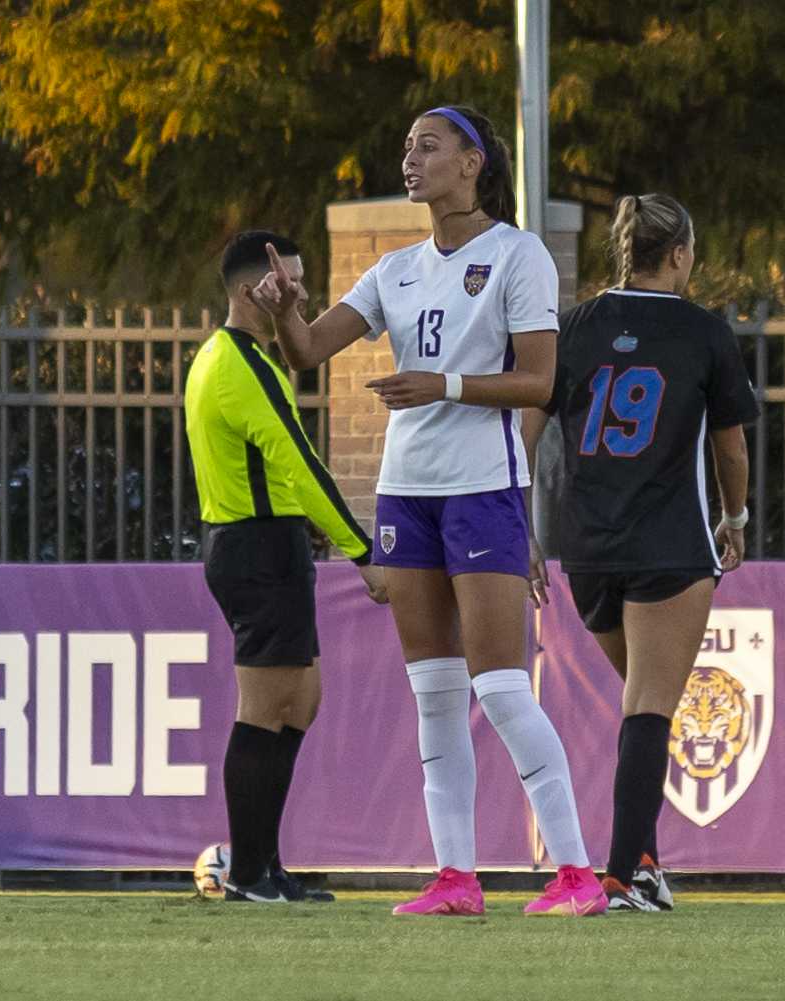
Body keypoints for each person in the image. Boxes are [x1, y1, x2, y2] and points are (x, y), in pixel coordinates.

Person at [251, 105, 605, 916]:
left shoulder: (518, 254)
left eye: (426, 145)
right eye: (405, 145)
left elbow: (541, 382)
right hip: (405, 493)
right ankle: (456, 877)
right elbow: (307, 352)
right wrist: (284, 308)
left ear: (472, 162)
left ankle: (576, 872)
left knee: (503, 688)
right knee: (435, 692)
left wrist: (440, 384)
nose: (408, 158)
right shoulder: (397, 268)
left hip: (483, 490)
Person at [522, 193, 759, 912]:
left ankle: (642, 862)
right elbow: (730, 443)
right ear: (680, 253)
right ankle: (623, 876)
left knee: (642, 709)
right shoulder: (702, 332)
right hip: (668, 544)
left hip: (584, 547)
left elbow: (523, 431)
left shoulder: (573, 327)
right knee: (650, 709)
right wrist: (736, 515)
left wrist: (517, 524)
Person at [185, 230, 388, 904]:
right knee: (266, 705)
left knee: (301, 699)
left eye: (302, 280)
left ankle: (264, 863)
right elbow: (299, 467)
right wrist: (362, 550)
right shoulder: (235, 364)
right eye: (287, 281)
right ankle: (246, 872)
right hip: (255, 547)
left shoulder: (244, 356)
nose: (298, 293)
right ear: (251, 290)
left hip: (265, 546)